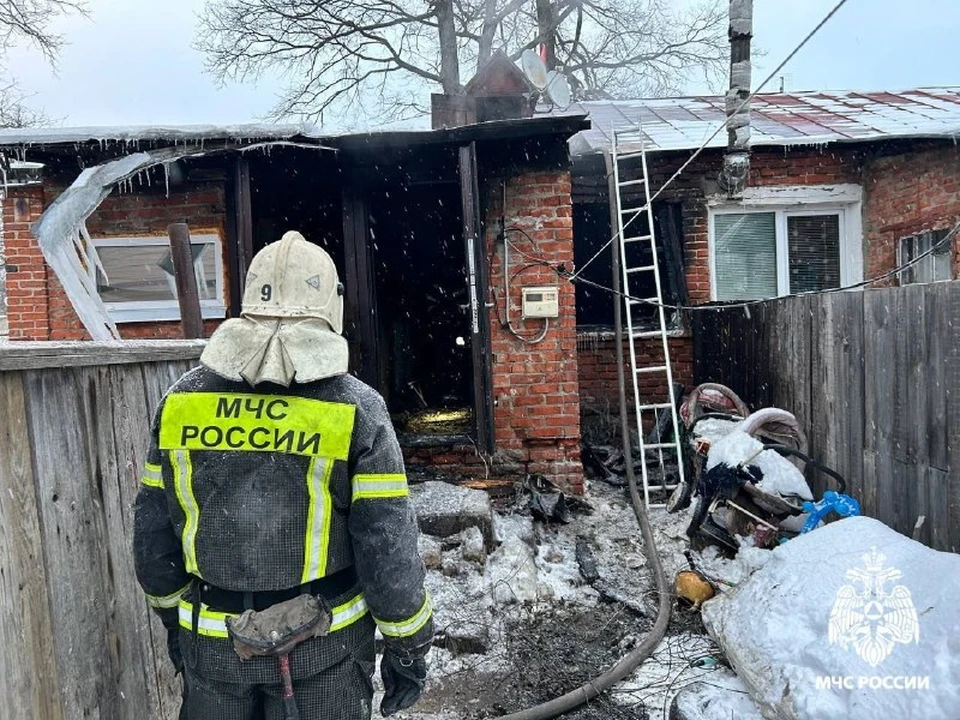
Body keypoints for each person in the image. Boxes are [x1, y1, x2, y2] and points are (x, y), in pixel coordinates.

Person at [133, 230, 434, 719]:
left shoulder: (181, 400)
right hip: (324, 656)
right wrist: (408, 647)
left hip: (212, 650)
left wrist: (175, 621)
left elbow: (152, 536)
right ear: (330, 305)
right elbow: (387, 547)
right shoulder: (358, 408)